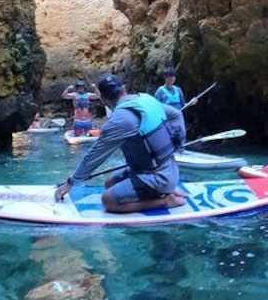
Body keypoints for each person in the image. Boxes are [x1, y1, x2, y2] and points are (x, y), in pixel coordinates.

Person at [54, 75, 188, 213]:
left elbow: (95, 155)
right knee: (109, 183)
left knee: (109, 200)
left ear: (104, 100)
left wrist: (71, 182)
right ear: (124, 89)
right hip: (167, 167)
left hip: (157, 176)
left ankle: (165, 200)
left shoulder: (120, 120)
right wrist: (178, 144)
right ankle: (168, 188)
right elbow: (176, 114)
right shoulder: (147, 100)